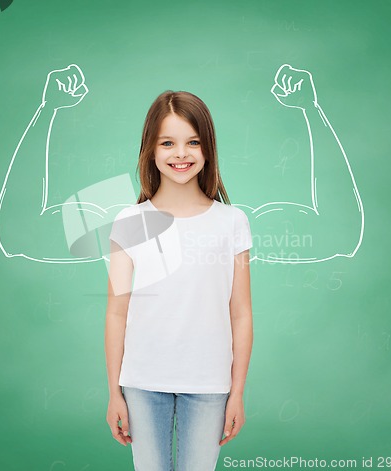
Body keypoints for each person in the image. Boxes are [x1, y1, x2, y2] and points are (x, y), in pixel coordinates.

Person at [105, 90, 254, 471]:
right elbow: (117, 312)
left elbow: (240, 313)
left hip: (209, 383)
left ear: (207, 150)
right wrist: (114, 393)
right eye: (167, 143)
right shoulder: (129, 220)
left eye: (192, 143)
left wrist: (237, 393)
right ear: (151, 151)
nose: (181, 154)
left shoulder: (232, 222)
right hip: (142, 379)